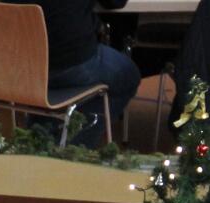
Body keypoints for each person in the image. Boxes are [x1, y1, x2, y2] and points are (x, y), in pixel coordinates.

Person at [28, 0, 139, 145]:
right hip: (70, 63)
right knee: (128, 74)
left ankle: (43, 135)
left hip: (19, 69)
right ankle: (74, 144)